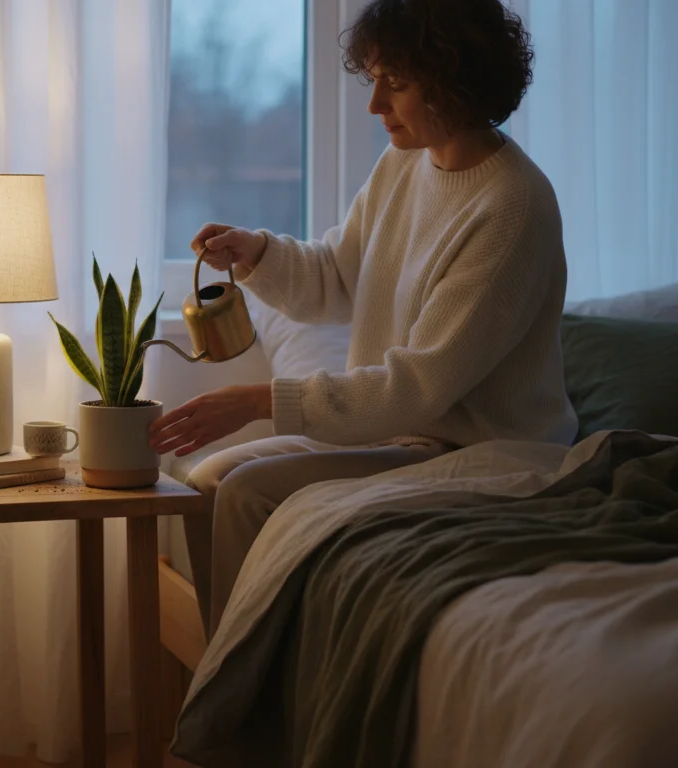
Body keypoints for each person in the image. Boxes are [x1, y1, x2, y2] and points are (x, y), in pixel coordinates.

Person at [148, 0, 579, 638]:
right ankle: (234, 683)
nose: (375, 103)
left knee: (242, 492)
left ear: (454, 81)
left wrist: (261, 401)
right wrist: (257, 253)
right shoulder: (405, 162)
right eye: (374, 78)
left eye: (395, 84)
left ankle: (241, 709)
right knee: (209, 480)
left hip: (484, 454)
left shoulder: (513, 207)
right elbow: (340, 279)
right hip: (405, 437)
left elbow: (418, 387)